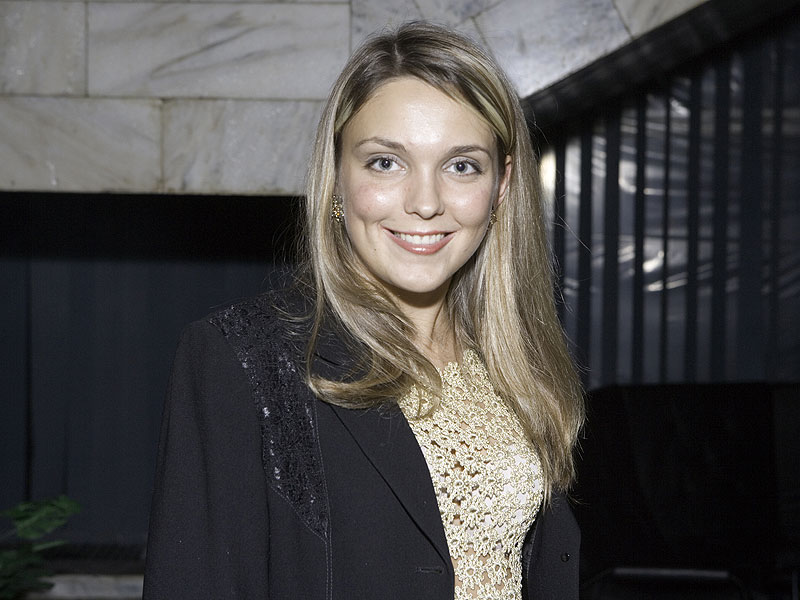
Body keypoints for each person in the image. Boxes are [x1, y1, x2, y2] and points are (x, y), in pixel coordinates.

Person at [143, 20, 584, 600]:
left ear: (500, 188)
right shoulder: (240, 361)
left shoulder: (516, 364)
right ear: (337, 179)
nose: (425, 203)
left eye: (461, 165)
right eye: (385, 162)